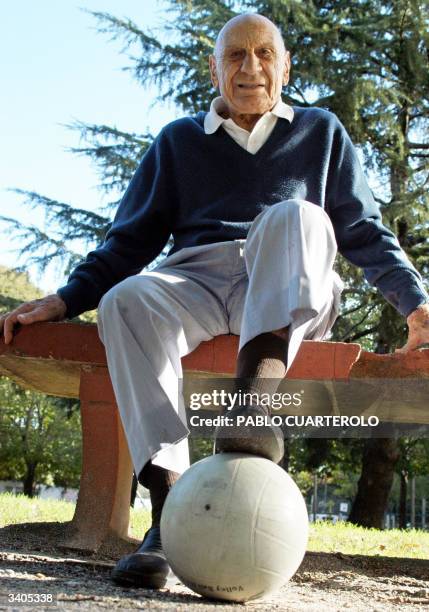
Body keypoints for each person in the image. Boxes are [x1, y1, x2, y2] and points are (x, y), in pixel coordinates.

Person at [1, 13, 428, 589]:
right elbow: (127, 243)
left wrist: (416, 304)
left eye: (263, 54)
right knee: (126, 299)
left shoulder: (321, 131)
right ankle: (170, 515)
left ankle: (252, 410)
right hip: (197, 279)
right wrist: (64, 299)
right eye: (234, 56)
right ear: (214, 69)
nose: (250, 68)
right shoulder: (179, 140)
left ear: (285, 66)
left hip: (285, 275)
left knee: (295, 214)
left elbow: (364, 233)